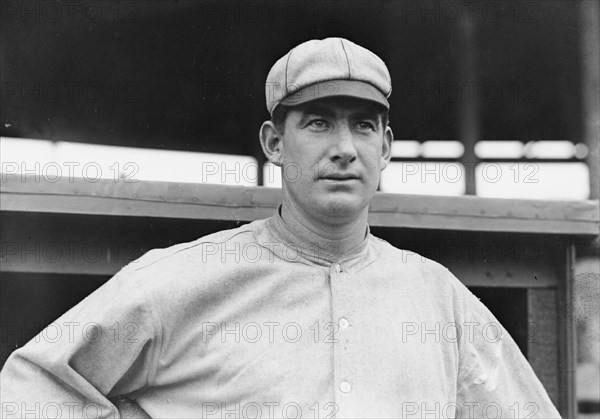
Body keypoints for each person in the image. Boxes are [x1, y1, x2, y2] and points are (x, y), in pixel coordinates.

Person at [1, 37, 561, 419]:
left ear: (385, 147)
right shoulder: (181, 280)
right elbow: (29, 388)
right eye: (318, 123)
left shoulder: (440, 300)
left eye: (363, 126)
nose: (344, 149)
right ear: (274, 143)